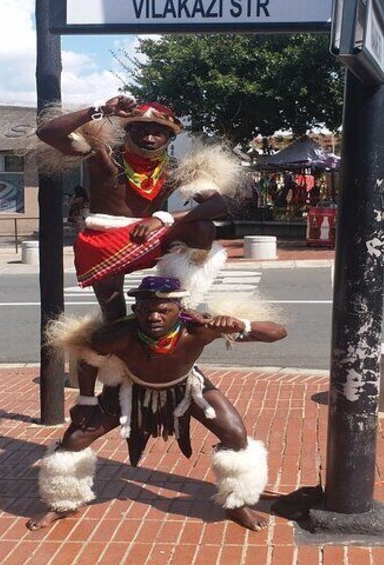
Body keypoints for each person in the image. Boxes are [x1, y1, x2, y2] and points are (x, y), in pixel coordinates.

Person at [28, 276, 288, 533]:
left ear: (180, 309)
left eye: (164, 310)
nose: (154, 317)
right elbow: (87, 357)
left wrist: (238, 323)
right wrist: (86, 399)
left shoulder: (200, 328)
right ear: (135, 310)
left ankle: (237, 503)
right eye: (146, 311)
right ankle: (63, 503)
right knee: (73, 440)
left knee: (235, 435)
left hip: (188, 388)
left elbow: (278, 333)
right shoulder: (119, 334)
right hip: (130, 389)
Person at [35, 95, 242, 319]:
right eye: (141, 131)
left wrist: (163, 219)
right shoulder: (103, 155)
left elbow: (217, 204)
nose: (150, 138)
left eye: (158, 133)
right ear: (128, 131)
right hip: (105, 240)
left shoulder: (174, 170)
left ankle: (181, 301)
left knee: (203, 227)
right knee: (114, 314)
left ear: (169, 138)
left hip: (147, 235)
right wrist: (101, 110)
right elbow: (47, 134)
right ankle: (110, 344)